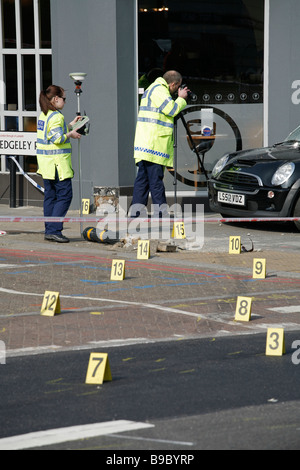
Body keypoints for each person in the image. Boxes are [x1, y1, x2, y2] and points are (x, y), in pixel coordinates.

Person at [130, 70, 189, 217]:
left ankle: (135, 213)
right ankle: (161, 213)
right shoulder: (160, 91)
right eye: (178, 87)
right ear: (173, 84)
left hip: (147, 144)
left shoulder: (153, 88)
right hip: (153, 145)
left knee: (142, 181)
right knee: (155, 181)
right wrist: (181, 99)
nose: (177, 90)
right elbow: (172, 109)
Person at [36, 85, 82, 243]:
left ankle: (50, 230)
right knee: (64, 196)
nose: (65, 102)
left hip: (47, 165)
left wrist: (69, 125)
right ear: (55, 99)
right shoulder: (56, 116)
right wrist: (71, 134)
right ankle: (54, 230)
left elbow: (52, 133)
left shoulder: (44, 115)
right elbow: (57, 138)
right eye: (64, 98)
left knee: (50, 197)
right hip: (58, 166)